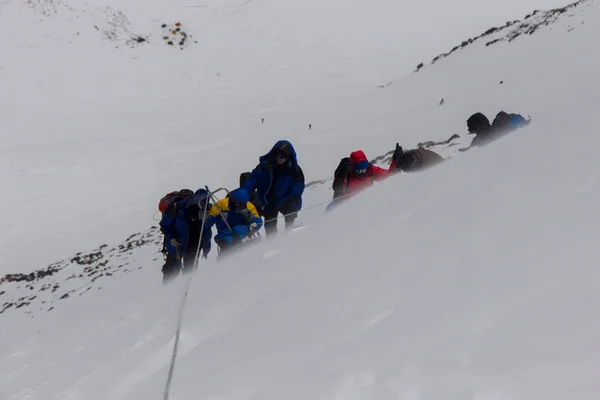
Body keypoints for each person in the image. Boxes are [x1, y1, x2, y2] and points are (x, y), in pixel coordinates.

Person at [242, 140, 304, 236]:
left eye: (282, 157)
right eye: (277, 156)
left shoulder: (294, 170)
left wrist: (286, 201)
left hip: (287, 200)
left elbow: (296, 191)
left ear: (288, 157)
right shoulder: (264, 166)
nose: (279, 159)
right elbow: (252, 180)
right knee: (269, 223)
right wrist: (242, 194)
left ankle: (290, 237)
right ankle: (272, 244)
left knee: (291, 217)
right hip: (269, 200)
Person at [159, 189, 212, 282]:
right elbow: (165, 226)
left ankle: (182, 287)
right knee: (176, 269)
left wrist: (206, 248)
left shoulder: (201, 208)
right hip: (179, 243)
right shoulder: (175, 209)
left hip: (190, 242)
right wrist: (172, 237)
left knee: (184, 268)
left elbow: (206, 230)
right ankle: (178, 287)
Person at [204, 188, 263, 256]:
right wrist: (206, 220)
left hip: (242, 230)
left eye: (243, 203)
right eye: (239, 203)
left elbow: (258, 220)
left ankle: (243, 250)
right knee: (227, 237)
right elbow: (209, 220)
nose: (241, 205)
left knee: (238, 229)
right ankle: (224, 257)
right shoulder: (221, 205)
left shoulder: (248, 206)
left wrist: (251, 222)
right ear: (233, 200)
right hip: (225, 231)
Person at [331, 148, 398, 203]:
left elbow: (388, 175)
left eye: (364, 169)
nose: (363, 172)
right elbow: (338, 189)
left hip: (366, 203)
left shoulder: (370, 169)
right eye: (359, 170)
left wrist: (395, 161)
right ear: (352, 167)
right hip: (345, 204)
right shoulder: (345, 174)